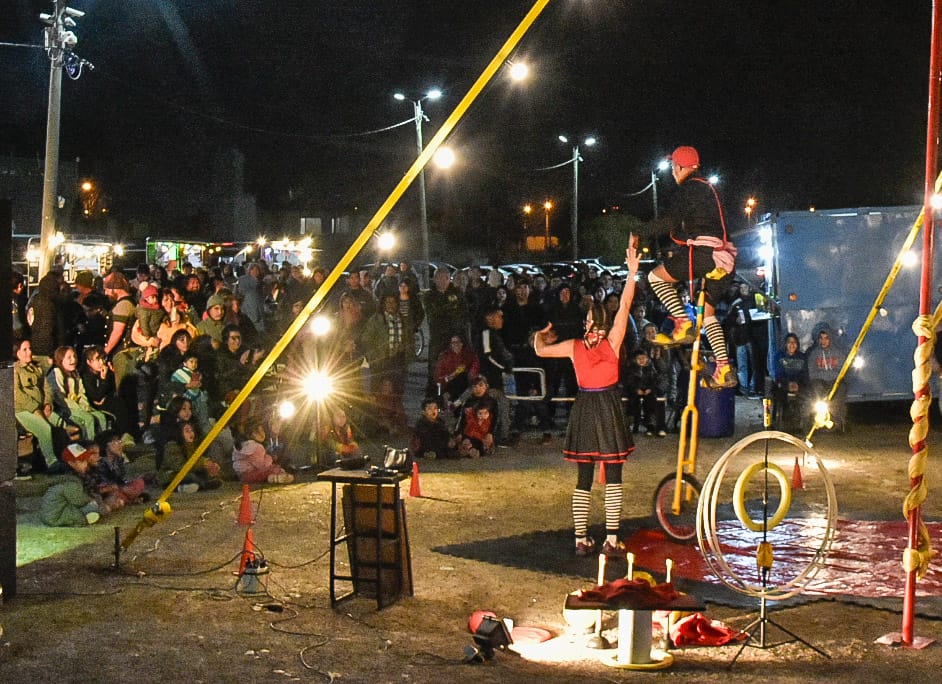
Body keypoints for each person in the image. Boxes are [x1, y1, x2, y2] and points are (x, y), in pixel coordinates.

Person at [532, 237, 640, 557]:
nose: (589, 326)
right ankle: (602, 539)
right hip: (602, 405)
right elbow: (625, 306)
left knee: (590, 475)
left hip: (591, 404)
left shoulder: (586, 345)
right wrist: (631, 272)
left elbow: (624, 306)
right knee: (604, 474)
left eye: (591, 321)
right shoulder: (598, 344)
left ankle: (591, 539)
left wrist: (632, 273)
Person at [646, 145, 738, 389]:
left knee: (656, 277)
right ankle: (723, 369)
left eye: (673, 168)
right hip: (725, 258)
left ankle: (681, 322)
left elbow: (669, 222)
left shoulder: (689, 188)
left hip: (705, 255)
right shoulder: (709, 187)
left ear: (678, 167)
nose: (673, 173)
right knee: (708, 316)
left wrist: (638, 232)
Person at [13, 338, 69, 471]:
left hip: (41, 408)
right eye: (25, 349)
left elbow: (46, 388)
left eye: (30, 348)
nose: (29, 352)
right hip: (23, 410)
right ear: (17, 353)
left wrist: (47, 404)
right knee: (45, 428)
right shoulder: (15, 370)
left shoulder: (36, 368)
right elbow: (18, 395)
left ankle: (67, 457)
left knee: (63, 424)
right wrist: (36, 409)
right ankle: (51, 462)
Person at [47, 345, 109, 441]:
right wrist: (80, 409)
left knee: (101, 417)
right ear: (61, 360)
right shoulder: (57, 372)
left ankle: (104, 445)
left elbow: (81, 393)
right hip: (64, 408)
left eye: (74, 356)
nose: (73, 360)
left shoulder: (75, 373)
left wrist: (86, 406)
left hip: (78, 406)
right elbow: (59, 398)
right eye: (69, 357)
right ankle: (89, 446)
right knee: (88, 419)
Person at [39, 443, 102, 527]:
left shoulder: (63, 477)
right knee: (92, 508)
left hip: (54, 512)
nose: (86, 464)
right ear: (71, 463)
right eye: (82, 461)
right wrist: (90, 500)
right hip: (56, 515)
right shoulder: (71, 481)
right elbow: (78, 500)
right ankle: (82, 520)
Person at [806, 323, 848, 427]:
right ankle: (819, 421)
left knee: (840, 391)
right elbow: (812, 373)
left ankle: (839, 423)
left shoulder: (838, 353)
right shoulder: (814, 354)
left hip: (835, 381)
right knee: (818, 390)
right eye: (821, 338)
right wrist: (825, 376)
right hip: (820, 381)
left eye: (826, 338)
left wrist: (830, 377)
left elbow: (841, 371)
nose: (823, 341)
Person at [232, 418, 294, 484]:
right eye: (261, 431)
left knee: (272, 468)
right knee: (273, 468)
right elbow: (262, 466)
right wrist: (269, 457)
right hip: (251, 475)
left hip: (242, 476)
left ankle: (274, 477)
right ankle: (275, 477)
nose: (263, 433)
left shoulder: (242, 445)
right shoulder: (257, 447)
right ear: (253, 434)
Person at [772, 332, 809, 430]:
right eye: (789, 342)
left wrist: (798, 384)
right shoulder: (778, 356)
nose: (792, 345)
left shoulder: (802, 357)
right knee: (780, 395)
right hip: (783, 383)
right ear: (785, 344)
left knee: (805, 396)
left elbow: (805, 374)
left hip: (798, 384)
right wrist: (788, 384)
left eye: (794, 342)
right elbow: (778, 374)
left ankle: (800, 425)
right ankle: (785, 423)